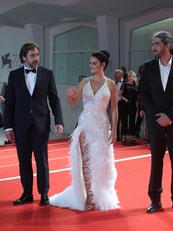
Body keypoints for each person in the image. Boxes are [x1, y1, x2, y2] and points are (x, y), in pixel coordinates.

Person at [50, 50, 120, 211]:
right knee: (86, 161)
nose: (90, 66)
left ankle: (99, 192)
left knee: (101, 161)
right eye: (90, 63)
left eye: (94, 63)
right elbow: (74, 101)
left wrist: (115, 130)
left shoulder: (110, 84)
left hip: (102, 126)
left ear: (103, 65)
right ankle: (88, 194)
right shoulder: (85, 82)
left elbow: (114, 109)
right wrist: (69, 96)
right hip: (85, 124)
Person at [4, 42, 64, 206]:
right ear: (24, 57)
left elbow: (54, 99)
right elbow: (9, 103)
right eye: (32, 55)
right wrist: (7, 126)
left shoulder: (47, 73)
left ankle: (44, 193)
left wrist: (59, 121)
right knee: (23, 161)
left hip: (41, 124)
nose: (36, 58)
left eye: (37, 55)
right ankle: (27, 193)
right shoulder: (14, 75)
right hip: (20, 125)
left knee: (41, 160)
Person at [141, 31, 173, 213]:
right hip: (155, 123)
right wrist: (159, 117)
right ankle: (155, 200)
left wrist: (170, 116)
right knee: (156, 162)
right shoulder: (148, 68)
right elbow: (144, 95)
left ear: (167, 45)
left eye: (157, 44)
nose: (153, 47)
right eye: (153, 44)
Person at [119, 70, 138, 145]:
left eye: (132, 76)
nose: (131, 78)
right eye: (129, 76)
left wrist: (137, 105)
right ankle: (123, 137)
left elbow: (137, 97)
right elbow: (119, 94)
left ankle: (133, 137)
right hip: (125, 105)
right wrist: (125, 99)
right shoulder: (124, 85)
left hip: (133, 105)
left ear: (134, 77)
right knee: (124, 121)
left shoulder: (136, 86)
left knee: (132, 121)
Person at [114, 69, 124, 141]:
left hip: (122, 103)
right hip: (115, 103)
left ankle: (123, 136)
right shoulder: (114, 82)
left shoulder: (125, 82)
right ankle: (116, 136)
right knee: (116, 120)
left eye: (116, 74)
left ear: (121, 74)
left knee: (123, 120)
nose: (115, 75)